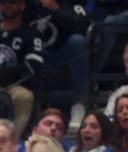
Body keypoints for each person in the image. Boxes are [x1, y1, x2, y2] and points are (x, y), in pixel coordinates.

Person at [0, 0, 43, 139]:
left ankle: (10, 142)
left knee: (25, 97)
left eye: (12, 2)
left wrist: (0, 74)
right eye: (4, 3)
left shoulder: (31, 34)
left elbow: (32, 66)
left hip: (12, 87)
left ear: (22, 5)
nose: (8, 6)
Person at [25, 0, 92, 133]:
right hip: (33, 55)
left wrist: (57, 10)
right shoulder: (26, 5)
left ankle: (79, 104)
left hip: (61, 55)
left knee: (77, 41)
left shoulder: (70, 4)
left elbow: (83, 26)